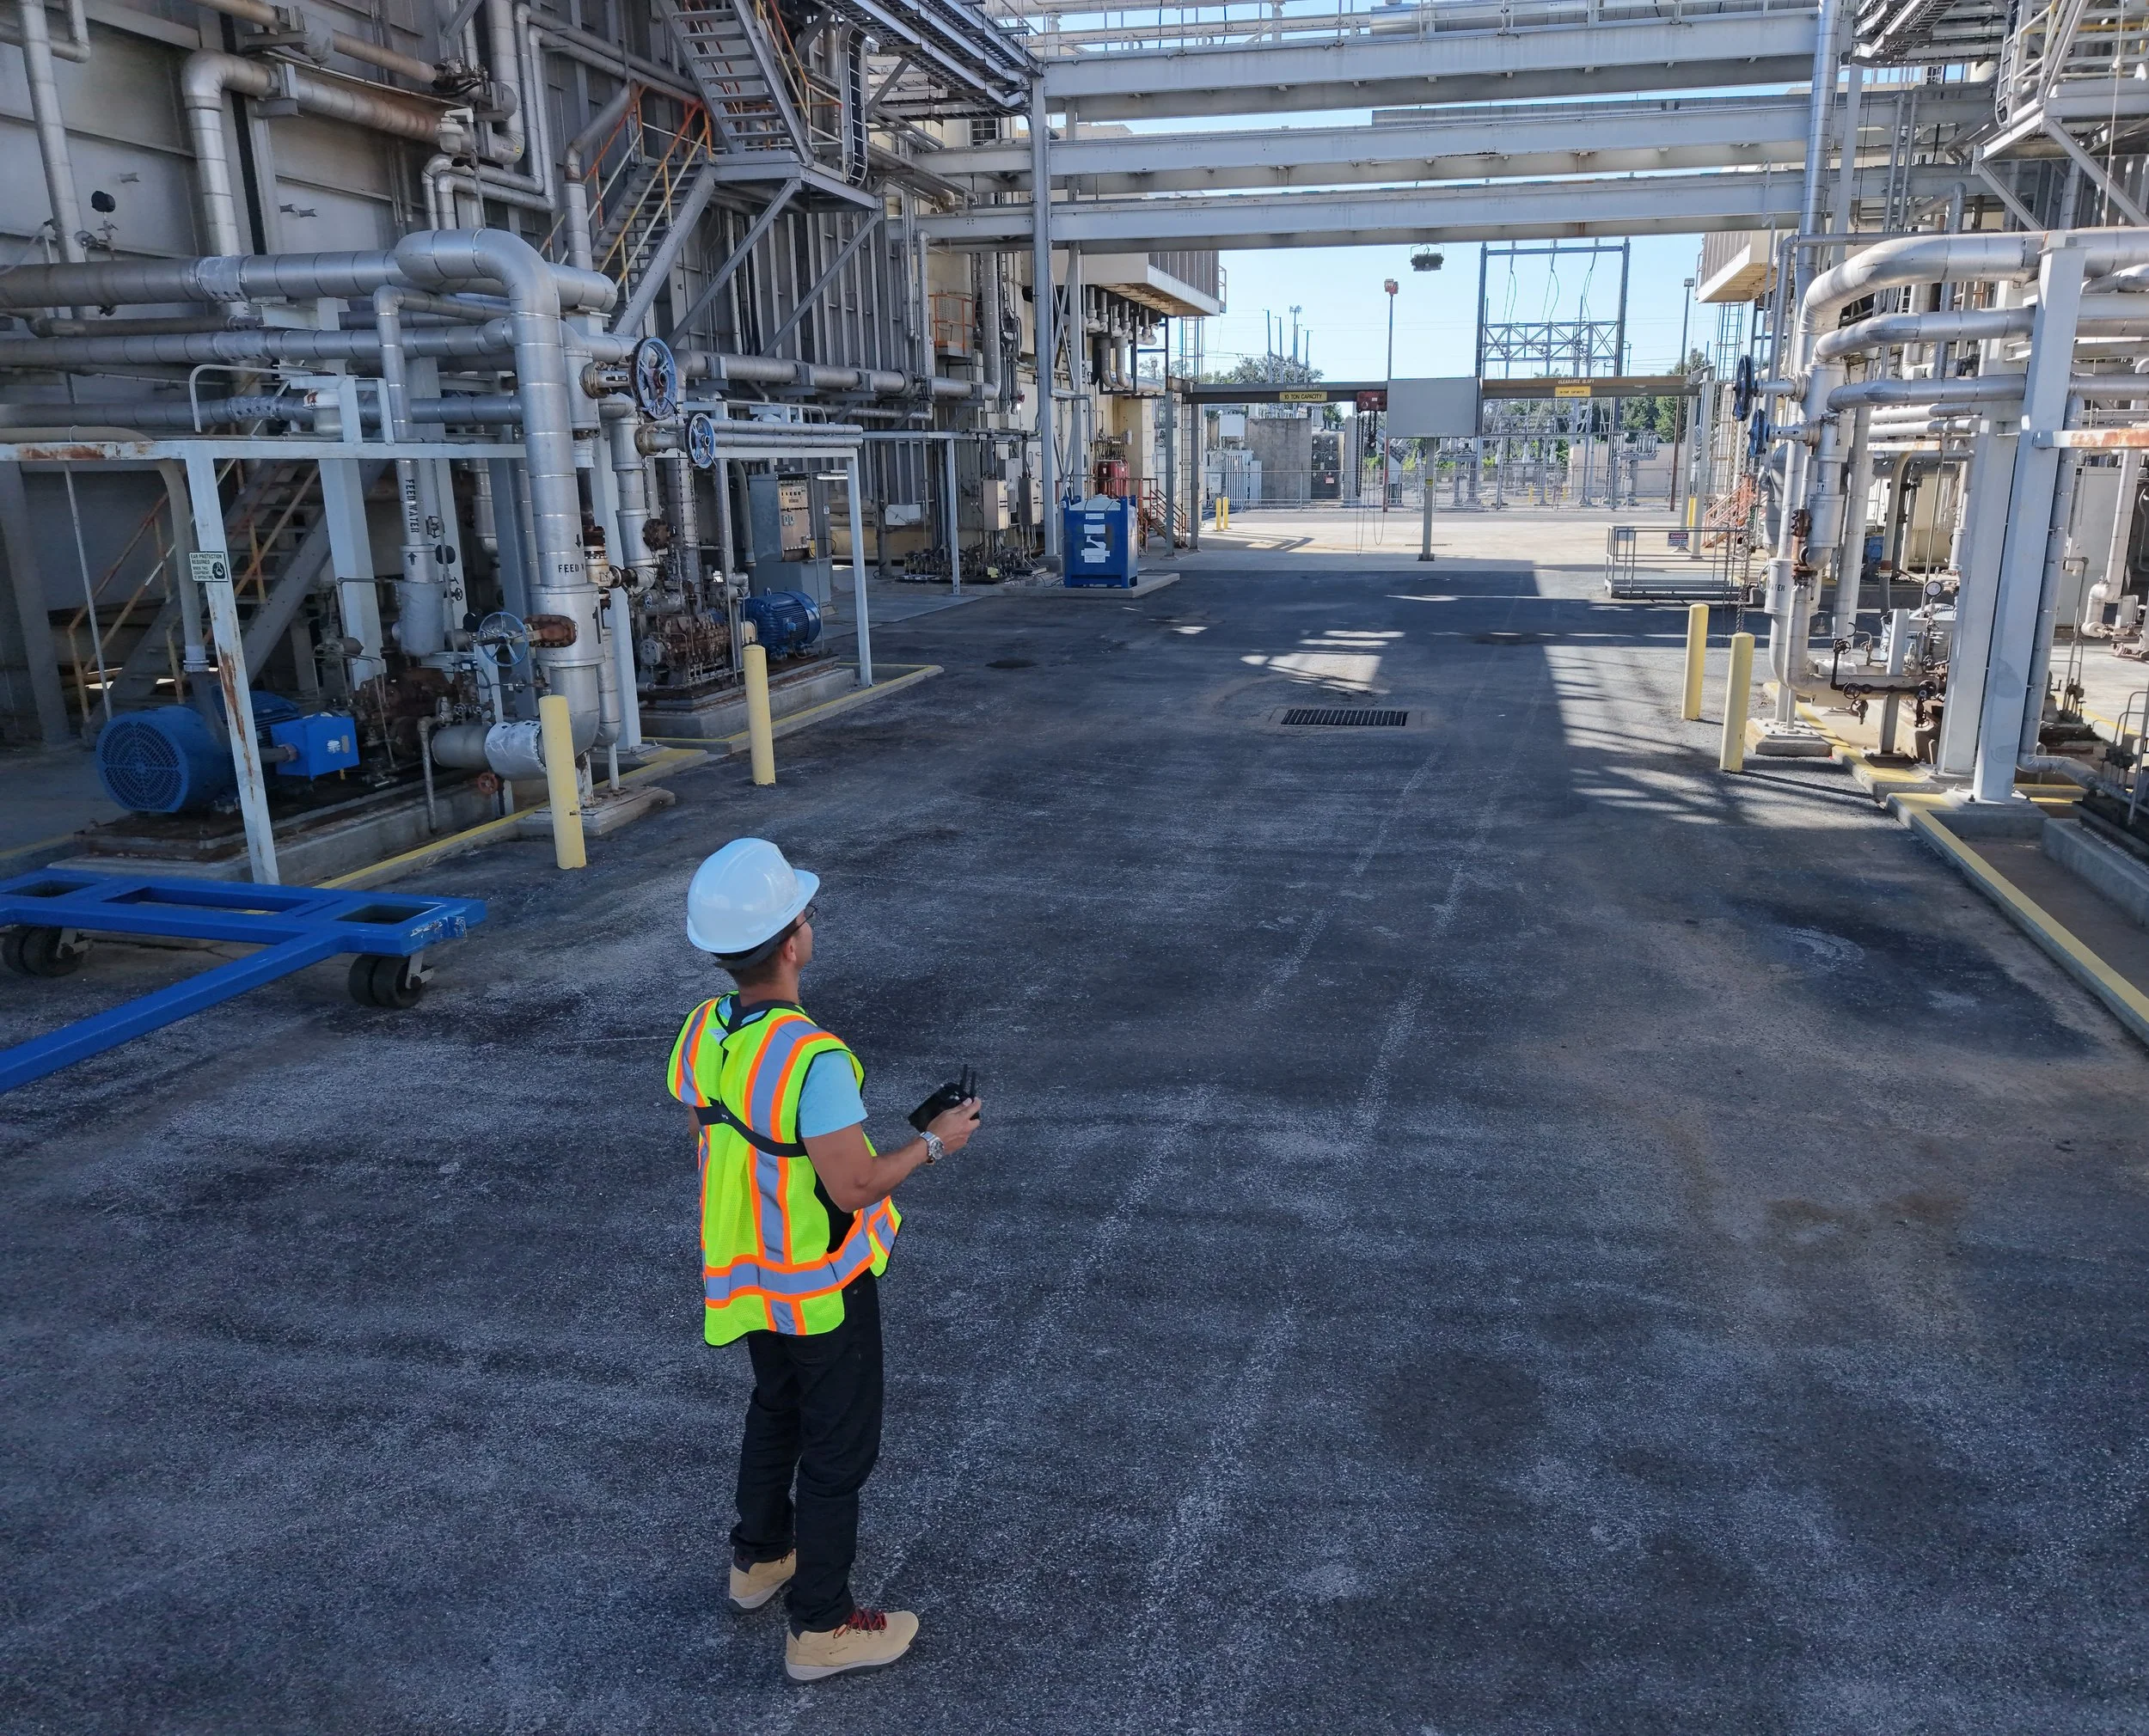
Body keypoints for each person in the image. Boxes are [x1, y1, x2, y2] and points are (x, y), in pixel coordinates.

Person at [668, 837, 983, 1683]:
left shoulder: (703, 1031)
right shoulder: (814, 1058)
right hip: (821, 1284)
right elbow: (852, 1187)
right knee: (839, 1450)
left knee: (775, 1409)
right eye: (803, 913)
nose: (809, 922)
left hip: (749, 1275)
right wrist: (934, 1141)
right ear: (792, 941)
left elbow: (720, 1141)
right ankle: (822, 1626)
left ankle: (760, 1558)